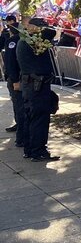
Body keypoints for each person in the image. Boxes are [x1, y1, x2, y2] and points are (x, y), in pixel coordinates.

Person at [17, 17, 59, 161]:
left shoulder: (26, 41)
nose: (43, 30)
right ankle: (38, 150)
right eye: (40, 27)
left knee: (31, 118)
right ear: (33, 27)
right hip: (37, 86)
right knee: (39, 118)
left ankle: (30, 149)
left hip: (32, 85)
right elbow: (51, 33)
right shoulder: (32, 42)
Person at [3, 18, 24, 147]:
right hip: (16, 78)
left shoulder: (17, 41)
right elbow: (10, 62)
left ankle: (21, 132)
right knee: (19, 106)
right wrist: (15, 79)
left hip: (19, 78)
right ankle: (21, 136)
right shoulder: (13, 42)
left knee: (20, 106)